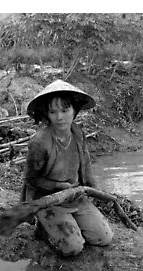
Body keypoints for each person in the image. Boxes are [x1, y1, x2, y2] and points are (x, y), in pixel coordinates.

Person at [21, 79, 113, 256]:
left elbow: (86, 167)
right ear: (47, 114)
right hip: (47, 200)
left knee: (104, 238)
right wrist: (57, 186)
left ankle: (70, 224)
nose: (60, 117)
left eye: (65, 110)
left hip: (74, 196)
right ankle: (44, 227)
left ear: (74, 111)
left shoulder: (77, 133)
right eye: (53, 112)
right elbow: (30, 179)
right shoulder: (40, 142)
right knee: (73, 248)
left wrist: (96, 192)